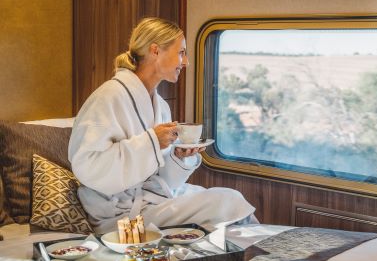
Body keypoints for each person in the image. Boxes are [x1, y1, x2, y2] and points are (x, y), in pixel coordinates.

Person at [69, 17, 256, 233]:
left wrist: (179, 158)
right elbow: (87, 167)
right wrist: (151, 142)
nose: (186, 62)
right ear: (155, 51)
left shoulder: (161, 106)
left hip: (151, 198)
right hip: (117, 213)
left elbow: (160, 177)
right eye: (181, 53)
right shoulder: (108, 97)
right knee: (228, 201)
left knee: (226, 200)